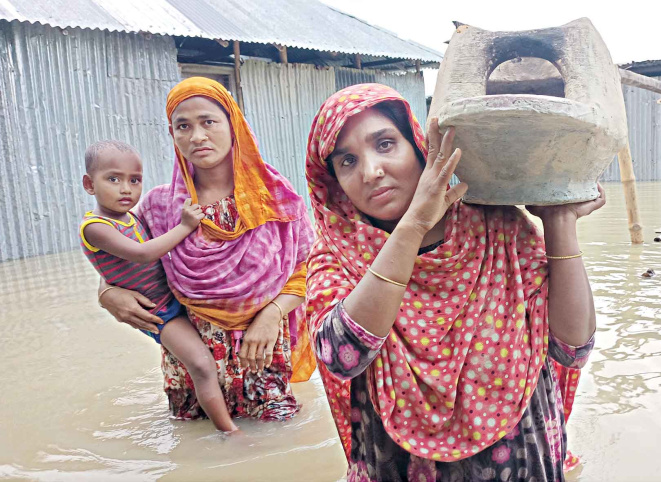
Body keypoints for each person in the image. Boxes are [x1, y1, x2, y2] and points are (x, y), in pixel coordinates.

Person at [306, 84, 601, 481]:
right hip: (402, 464)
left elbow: (572, 347)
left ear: (419, 146)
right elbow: (341, 355)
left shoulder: (499, 227)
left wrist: (559, 221)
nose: (371, 171)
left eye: (386, 144)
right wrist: (412, 227)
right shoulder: (337, 255)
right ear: (334, 182)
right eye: (347, 161)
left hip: (520, 460)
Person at [97, 77, 315, 422]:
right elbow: (122, 260)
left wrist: (272, 313)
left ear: (234, 125)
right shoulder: (160, 207)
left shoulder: (275, 199)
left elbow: (309, 268)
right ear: (173, 136)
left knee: (278, 437)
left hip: (261, 354)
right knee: (197, 447)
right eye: (183, 126)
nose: (196, 137)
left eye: (208, 122)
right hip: (192, 369)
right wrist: (107, 293)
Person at [80, 140, 238, 433]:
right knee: (202, 366)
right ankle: (229, 432)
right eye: (113, 179)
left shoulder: (132, 217)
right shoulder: (95, 227)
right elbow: (143, 253)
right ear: (89, 184)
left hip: (177, 297)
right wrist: (186, 226)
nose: (126, 189)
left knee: (210, 362)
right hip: (161, 311)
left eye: (134, 180)